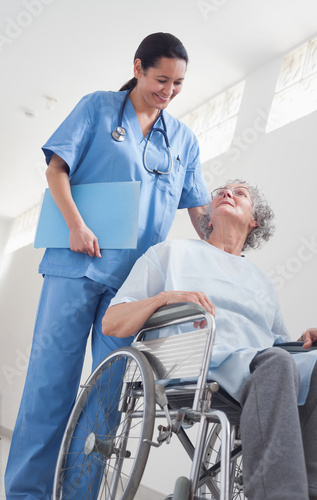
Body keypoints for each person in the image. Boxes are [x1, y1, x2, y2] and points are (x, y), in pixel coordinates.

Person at [5, 32, 209, 499]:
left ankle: (79, 493)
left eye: (178, 84)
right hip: (75, 263)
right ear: (138, 68)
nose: (169, 92)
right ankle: (26, 493)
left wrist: (231, 237)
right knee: (49, 384)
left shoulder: (183, 140)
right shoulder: (98, 108)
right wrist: (75, 225)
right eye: (161, 79)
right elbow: (57, 169)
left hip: (131, 286)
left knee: (108, 399)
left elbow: (199, 213)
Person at [103, 179, 317, 500]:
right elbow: (112, 321)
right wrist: (165, 298)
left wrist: (304, 343)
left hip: (257, 369)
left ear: (254, 220)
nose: (226, 193)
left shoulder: (261, 282)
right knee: (274, 363)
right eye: (220, 192)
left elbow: (279, 347)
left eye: (239, 193)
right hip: (193, 362)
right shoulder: (173, 252)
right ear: (209, 215)